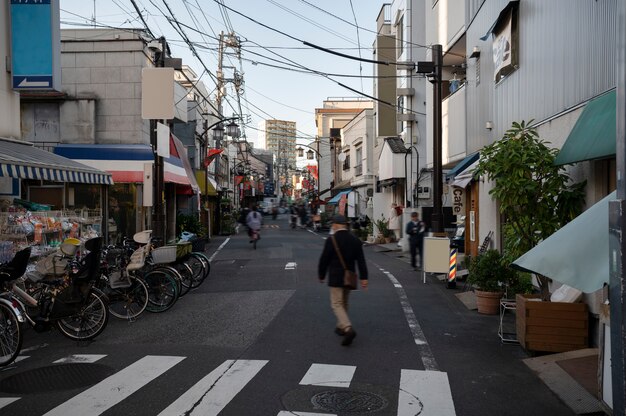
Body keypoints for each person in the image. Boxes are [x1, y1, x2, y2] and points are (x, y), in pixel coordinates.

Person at [318, 214, 368, 346]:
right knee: (344, 302)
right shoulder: (355, 240)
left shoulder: (332, 240)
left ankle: (347, 327)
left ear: (335, 225)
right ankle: (340, 327)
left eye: (332, 225)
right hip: (349, 276)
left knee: (336, 304)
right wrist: (364, 277)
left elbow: (324, 259)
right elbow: (361, 261)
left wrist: (321, 274)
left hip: (336, 276)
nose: (332, 227)